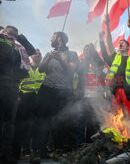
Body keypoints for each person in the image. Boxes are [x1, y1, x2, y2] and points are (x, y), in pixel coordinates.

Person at [31, 31, 79, 163]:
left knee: (60, 121)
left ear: (60, 38)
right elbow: (40, 69)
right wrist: (48, 58)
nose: (51, 38)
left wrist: (61, 59)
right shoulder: (49, 53)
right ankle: (38, 151)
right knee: (42, 120)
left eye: (53, 36)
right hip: (46, 90)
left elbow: (71, 70)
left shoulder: (72, 54)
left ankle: (57, 150)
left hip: (63, 92)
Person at [0, 25, 35, 163]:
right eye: (11, 34)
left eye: (15, 36)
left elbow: (31, 51)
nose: (13, 38)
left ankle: (6, 154)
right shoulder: (1, 40)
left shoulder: (19, 47)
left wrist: (20, 37)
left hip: (12, 88)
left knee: (10, 122)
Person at [100, 15, 130, 118]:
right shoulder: (114, 57)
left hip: (129, 92)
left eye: (123, 43)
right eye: (119, 43)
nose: (120, 44)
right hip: (114, 90)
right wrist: (107, 26)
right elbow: (109, 42)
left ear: (128, 47)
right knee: (116, 117)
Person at [13, 49, 45, 159]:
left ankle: (35, 150)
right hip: (24, 98)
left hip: (39, 99)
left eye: (39, 54)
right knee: (23, 125)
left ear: (41, 57)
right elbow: (17, 81)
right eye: (35, 53)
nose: (37, 55)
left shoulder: (44, 69)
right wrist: (17, 95)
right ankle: (23, 149)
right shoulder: (25, 67)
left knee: (37, 126)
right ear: (31, 56)